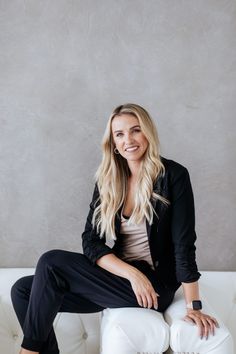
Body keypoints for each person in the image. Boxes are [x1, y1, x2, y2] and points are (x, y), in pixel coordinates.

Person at [11, 103, 219, 354]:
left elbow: (183, 245)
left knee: (51, 261)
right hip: (124, 280)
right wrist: (132, 274)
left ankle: (27, 352)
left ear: (148, 133)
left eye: (135, 130)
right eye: (119, 134)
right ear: (113, 142)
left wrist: (193, 306)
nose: (128, 140)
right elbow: (91, 240)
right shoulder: (109, 179)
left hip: (154, 289)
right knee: (23, 290)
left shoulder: (173, 175)